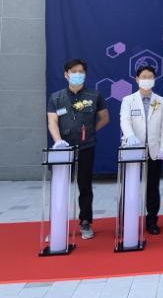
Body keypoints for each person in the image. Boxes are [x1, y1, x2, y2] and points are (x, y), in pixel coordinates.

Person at [46, 58, 109, 239]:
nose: (77, 75)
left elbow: (105, 118)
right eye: (74, 71)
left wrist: (90, 132)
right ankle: (57, 225)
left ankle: (85, 222)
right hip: (63, 150)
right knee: (60, 188)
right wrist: (58, 141)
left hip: (86, 147)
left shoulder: (94, 95)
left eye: (81, 71)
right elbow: (52, 121)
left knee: (85, 185)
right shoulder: (56, 97)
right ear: (66, 74)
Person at [120, 65, 163, 234]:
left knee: (152, 187)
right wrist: (130, 136)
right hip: (133, 150)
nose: (146, 80)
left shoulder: (161, 101)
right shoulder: (128, 100)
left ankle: (152, 221)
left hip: (154, 151)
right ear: (137, 79)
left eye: (150, 77)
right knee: (131, 187)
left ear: (154, 80)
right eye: (143, 77)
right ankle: (129, 221)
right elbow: (125, 121)